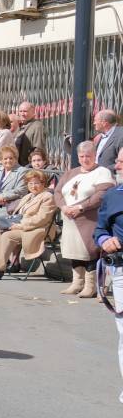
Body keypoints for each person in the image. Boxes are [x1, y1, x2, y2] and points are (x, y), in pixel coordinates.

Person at [54, 141, 115, 297]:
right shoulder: (71, 172)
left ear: (95, 155)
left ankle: (90, 286)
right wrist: (63, 207)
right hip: (69, 218)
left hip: (89, 218)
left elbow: (102, 194)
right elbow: (58, 191)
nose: (85, 159)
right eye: (81, 156)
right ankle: (77, 283)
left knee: (89, 251)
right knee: (74, 251)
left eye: (88, 156)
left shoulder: (102, 172)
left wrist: (80, 207)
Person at [0, 170, 56, 279]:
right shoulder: (28, 196)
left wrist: (20, 225)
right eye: (30, 183)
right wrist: (9, 224)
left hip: (38, 230)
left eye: (36, 183)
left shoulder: (47, 197)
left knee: (8, 236)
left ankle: (0, 267)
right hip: (21, 227)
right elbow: (18, 214)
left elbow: (42, 219)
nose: (33, 186)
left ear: (43, 183)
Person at [92, 154, 123, 399]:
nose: (117, 165)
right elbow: (100, 229)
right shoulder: (113, 195)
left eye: (122, 161)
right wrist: (105, 240)